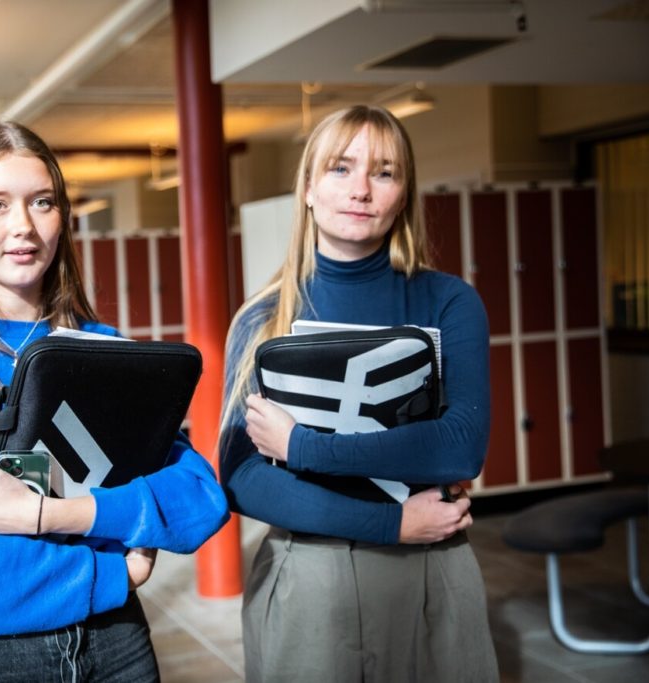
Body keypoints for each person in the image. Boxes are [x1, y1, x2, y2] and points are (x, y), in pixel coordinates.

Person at [0, 120, 229, 682]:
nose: (23, 226)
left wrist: (53, 515)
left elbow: (199, 498)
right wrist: (114, 571)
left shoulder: (102, 349)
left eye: (42, 201)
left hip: (118, 645)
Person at [219, 105, 498, 682]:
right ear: (309, 189)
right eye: (341, 169)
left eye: (385, 172)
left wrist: (305, 449)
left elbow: (460, 447)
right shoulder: (263, 319)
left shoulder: (447, 302)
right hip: (311, 571)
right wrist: (389, 526)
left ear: (404, 193)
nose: (362, 190)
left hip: (433, 565)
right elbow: (243, 477)